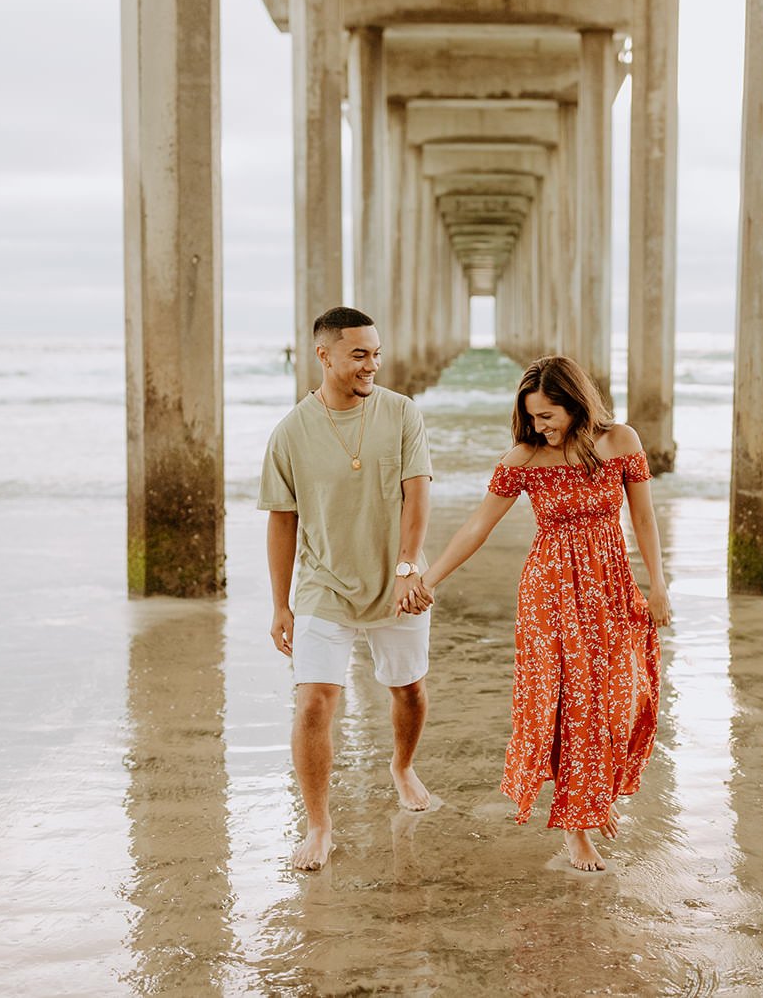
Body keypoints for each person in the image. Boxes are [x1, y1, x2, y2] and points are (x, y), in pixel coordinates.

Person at [401, 355, 671, 872]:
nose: (539, 427)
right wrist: (427, 580)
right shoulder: (523, 459)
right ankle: (577, 827)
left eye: (548, 416)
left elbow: (642, 516)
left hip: (611, 586)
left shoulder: (622, 442)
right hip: (551, 592)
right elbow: (478, 527)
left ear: (576, 404)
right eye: (532, 417)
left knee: (623, 696)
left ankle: (592, 792)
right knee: (571, 704)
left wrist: (656, 584)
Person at [259, 306, 435, 871]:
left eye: (376, 353)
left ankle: (402, 766)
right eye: (359, 354)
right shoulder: (290, 433)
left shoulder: (402, 413)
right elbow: (282, 521)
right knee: (313, 702)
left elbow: (417, 496)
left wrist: (409, 568)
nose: (372, 365)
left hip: (397, 580)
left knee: (407, 689)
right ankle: (318, 826)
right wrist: (280, 604)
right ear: (324, 355)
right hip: (323, 583)